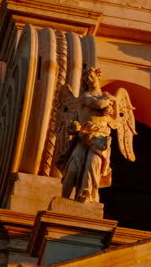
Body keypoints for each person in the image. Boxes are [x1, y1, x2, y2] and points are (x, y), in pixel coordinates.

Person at [56, 67, 136, 203]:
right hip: (83, 137)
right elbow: (98, 104)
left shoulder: (108, 98)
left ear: (97, 77)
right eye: (87, 79)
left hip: (100, 138)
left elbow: (115, 120)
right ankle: (64, 198)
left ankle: (86, 194)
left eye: (91, 77)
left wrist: (115, 102)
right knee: (73, 168)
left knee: (93, 166)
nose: (89, 80)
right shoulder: (85, 97)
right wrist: (110, 100)